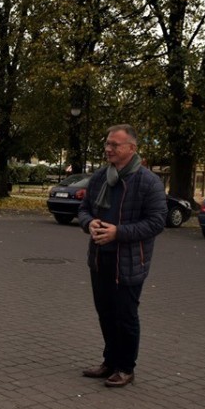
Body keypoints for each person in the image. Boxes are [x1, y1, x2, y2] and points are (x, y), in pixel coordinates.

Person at [77, 124, 166, 388]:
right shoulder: (100, 177)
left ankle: (126, 368)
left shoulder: (148, 181)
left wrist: (119, 232)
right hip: (100, 258)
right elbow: (84, 209)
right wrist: (89, 223)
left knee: (125, 315)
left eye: (114, 145)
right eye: (107, 143)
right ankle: (110, 361)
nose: (108, 149)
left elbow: (157, 222)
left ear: (132, 148)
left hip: (128, 261)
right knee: (105, 312)